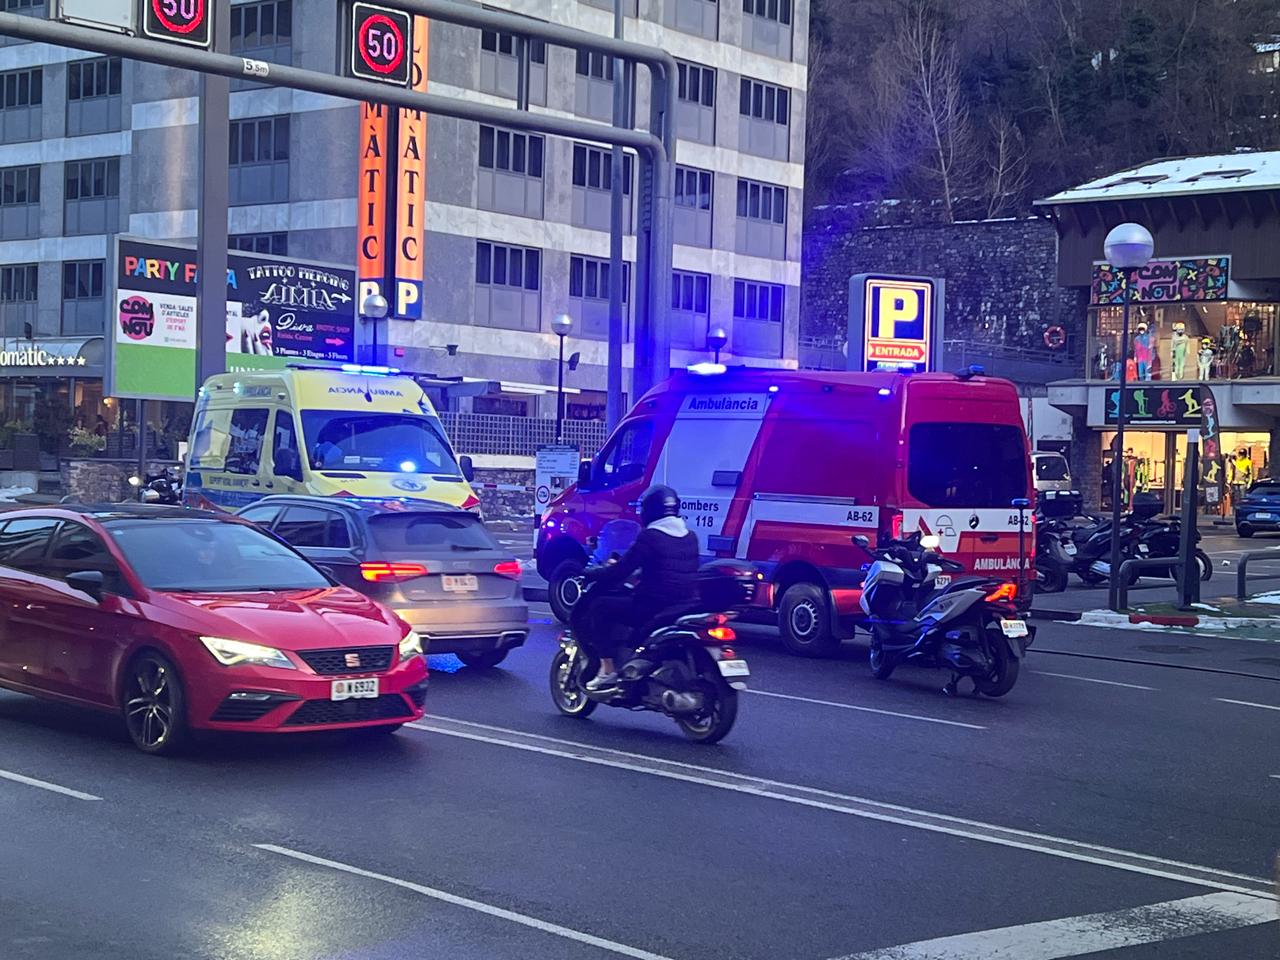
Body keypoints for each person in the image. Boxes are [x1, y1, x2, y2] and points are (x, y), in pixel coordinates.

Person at [581, 484, 700, 691]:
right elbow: (667, 567)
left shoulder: (650, 536)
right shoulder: (690, 536)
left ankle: (607, 669)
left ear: (650, 510)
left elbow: (621, 570)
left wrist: (592, 572)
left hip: (653, 605)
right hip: (685, 603)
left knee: (600, 606)